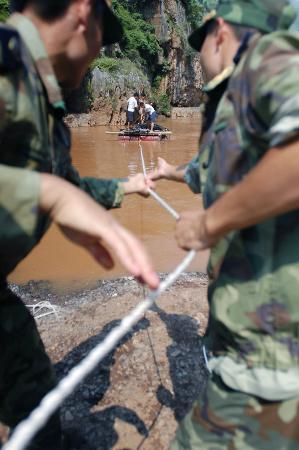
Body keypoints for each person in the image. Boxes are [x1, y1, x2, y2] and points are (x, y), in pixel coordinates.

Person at [0, 1, 159, 449]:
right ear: (82, 14)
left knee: (33, 392)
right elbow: (55, 192)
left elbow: (67, 188)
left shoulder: (41, 97)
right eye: (101, 41)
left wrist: (127, 187)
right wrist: (46, 194)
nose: (97, 55)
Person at [150, 1, 299, 448]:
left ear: (219, 34)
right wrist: (167, 172)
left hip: (269, 363)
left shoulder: (266, 59)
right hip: (249, 350)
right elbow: (207, 169)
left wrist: (209, 223)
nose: (199, 61)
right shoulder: (236, 105)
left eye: (200, 48)